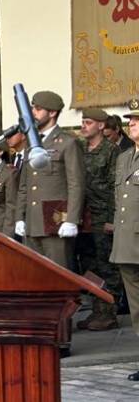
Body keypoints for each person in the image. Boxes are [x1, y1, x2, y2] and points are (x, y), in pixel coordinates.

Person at [13, 90, 84, 286]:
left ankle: (62, 317)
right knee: (34, 276)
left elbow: (76, 184)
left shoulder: (67, 143)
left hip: (55, 220)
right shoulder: (31, 143)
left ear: (52, 113)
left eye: (37, 109)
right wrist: (20, 216)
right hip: (33, 221)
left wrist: (71, 220)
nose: (33, 112)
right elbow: (25, 185)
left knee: (58, 277)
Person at [77, 107, 122, 330]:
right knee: (89, 264)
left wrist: (113, 217)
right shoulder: (80, 150)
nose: (83, 126)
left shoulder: (111, 151)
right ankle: (97, 309)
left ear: (101, 126)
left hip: (103, 215)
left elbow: (117, 186)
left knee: (107, 266)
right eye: (83, 122)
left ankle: (108, 313)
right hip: (84, 216)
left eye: (88, 122)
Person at [111, 100, 139, 380]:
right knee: (137, 307)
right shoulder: (125, 158)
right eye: (130, 120)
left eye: (137, 120)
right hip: (127, 243)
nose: (131, 123)